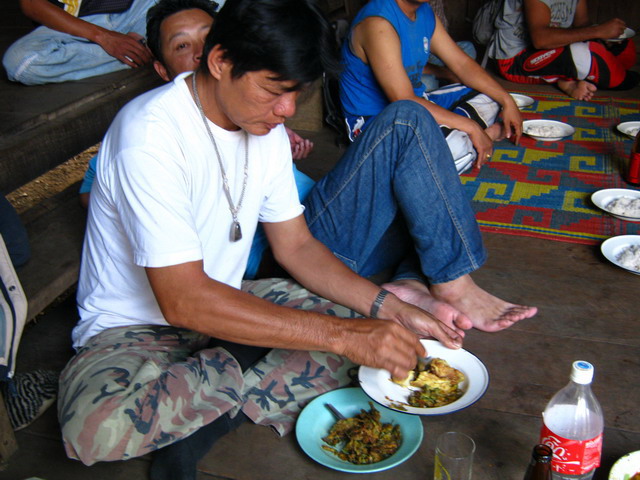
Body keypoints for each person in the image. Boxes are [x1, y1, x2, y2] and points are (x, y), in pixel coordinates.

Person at [57, 1, 471, 478]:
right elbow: (182, 301)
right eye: (274, 90)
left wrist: (387, 308)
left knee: (377, 339)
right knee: (95, 429)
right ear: (220, 62)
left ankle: (204, 408)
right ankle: (237, 372)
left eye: (297, 92)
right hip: (136, 329)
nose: (287, 110)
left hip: (228, 300)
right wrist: (340, 337)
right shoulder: (148, 137)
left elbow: (296, 246)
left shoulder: (264, 128)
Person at [77, 0, 314, 210]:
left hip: (299, 214)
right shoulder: (151, 134)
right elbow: (93, 194)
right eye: (182, 45)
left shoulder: (252, 116)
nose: (201, 52)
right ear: (163, 70)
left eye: (208, 38)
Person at [339, 0, 523, 172]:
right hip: (377, 124)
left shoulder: (424, 12)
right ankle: (474, 137)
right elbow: (403, 101)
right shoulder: (377, 24)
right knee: (451, 150)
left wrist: (507, 101)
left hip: (419, 103)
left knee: (490, 96)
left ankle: (458, 139)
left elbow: (462, 64)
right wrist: (472, 127)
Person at [488, 0, 638, 101]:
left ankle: (569, 79)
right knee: (590, 55)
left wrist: (604, 37)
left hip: (551, 47)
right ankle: (569, 80)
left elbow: (582, 26)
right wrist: (598, 31)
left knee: (624, 48)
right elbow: (540, 40)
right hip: (516, 59)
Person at [3, 0, 160, 85]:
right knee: (20, 64)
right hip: (72, 26)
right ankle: (147, 48)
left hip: (134, 10)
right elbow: (31, 4)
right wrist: (104, 37)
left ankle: (145, 46)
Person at [421, 0, 477, 92]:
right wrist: (448, 74)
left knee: (468, 48)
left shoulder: (428, 10)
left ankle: (446, 82)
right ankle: (445, 81)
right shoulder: (397, 15)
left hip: (432, 50)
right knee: (428, 83)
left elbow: (440, 37)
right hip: (417, 62)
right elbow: (410, 64)